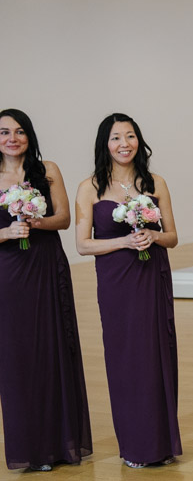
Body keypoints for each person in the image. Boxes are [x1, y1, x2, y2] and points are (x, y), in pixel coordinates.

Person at [75, 113, 181, 468]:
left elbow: (172, 237)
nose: (125, 144)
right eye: (116, 137)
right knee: (125, 358)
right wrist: (123, 241)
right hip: (116, 284)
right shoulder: (89, 187)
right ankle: (135, 446)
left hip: (152, 277)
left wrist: (153, 235)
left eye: (130, 136)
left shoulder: (156, 182)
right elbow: (83, 245)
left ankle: (162, 444)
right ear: (105, 144)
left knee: (156, 355)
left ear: (139, 140)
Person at [0, 109, 92, 472]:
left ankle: (61, 444)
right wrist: (6, 232)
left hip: (46, 265)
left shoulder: (47, 169)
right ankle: (30, 447)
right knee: (17, 354)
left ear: (29, 136)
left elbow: (64, 218)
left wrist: (36, 222)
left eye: (19, 131)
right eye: (4, 132)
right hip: (8, 273)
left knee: (54, 348)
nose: (12, 138)